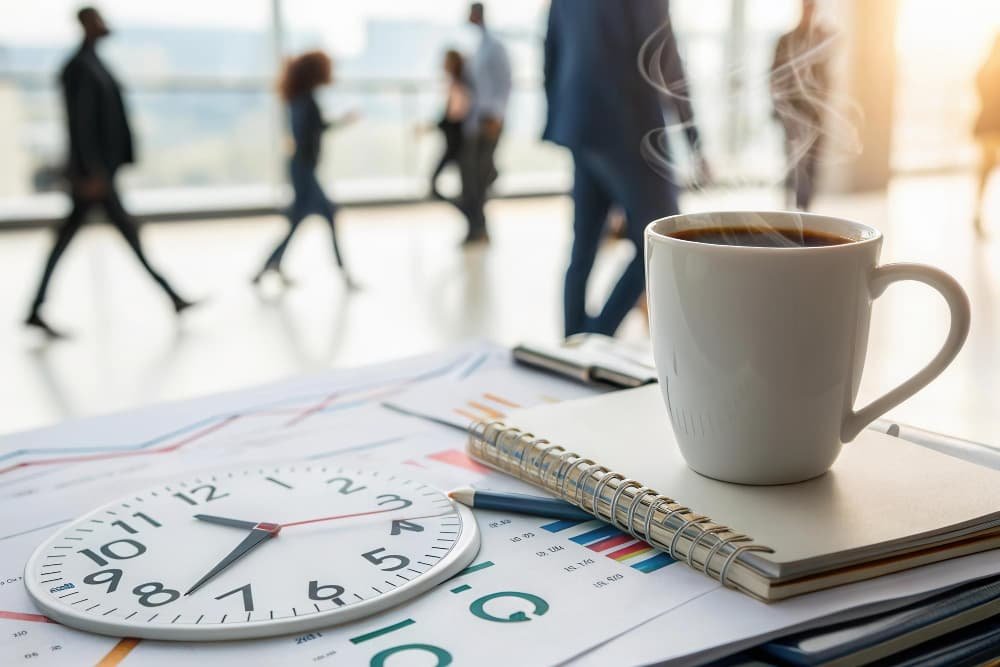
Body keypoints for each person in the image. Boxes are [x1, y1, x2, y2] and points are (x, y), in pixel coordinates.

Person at [26, 6, 195, 339]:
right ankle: (172, 295)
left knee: (90, 238)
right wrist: (92, 172)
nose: (106, 25)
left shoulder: (92, 63)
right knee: (112, 237)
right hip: (94, 176)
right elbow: (80, 125)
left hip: (101, 173)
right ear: (87, 24)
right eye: (99, 20)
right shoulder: (79, 67)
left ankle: (172, 295)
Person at [544, 0, 707, 337]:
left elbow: (550, 51)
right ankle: (595, 338)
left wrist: (561, 117)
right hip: (629, 126)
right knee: (664, 241)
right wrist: (693, 138)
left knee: (583, 246)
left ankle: (573, 344)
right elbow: (665, 58)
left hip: (579, 123)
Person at [254, 50, 356, 288]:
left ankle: (268, 267)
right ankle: (344, 275)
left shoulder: (301, 97)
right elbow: (306, 133)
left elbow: (315, 128)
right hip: (303, 170)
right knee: (326, 215)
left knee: (299, 221)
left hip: (303, 168)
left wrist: (342, 121)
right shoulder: (304, 99)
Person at [770, 0, 832, 212]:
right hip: (792, 114)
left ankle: (804, 210)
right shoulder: (786, 40)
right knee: (793, 163)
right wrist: (779, 109)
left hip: (816, 115)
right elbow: (774, 77)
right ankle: (789, 209)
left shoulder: (821, 39)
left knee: (812, 165)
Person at [458, 2, 511, 246]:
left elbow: (504, 82)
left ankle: (479, 229)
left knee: (480, 177)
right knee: (474, 178)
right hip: (475, 121)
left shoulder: (495, 47)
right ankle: (477, 228)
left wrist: (497, 115)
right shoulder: (479, 47)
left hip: (489, 120)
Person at [428, 50, 470, 201]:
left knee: (457, 166)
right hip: (453, 133)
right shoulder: (456, 83)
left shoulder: (459, 85)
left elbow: (456, 112)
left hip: (455, 134)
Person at [974, 34, 1000, 236]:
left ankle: (978, 211)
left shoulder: (985, 68)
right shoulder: (993, 69)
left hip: (986, 123)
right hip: (992, 125)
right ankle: (978, 212)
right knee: (987, 167)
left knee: (986, 168)